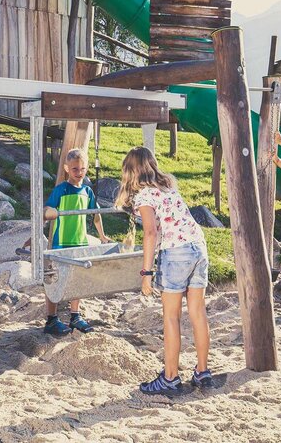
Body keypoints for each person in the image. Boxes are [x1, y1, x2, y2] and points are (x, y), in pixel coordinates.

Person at [115, 146, 212, 395]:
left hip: (176, 252)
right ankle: (202, 372)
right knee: (198, 313)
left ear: (130, 171)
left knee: (171, 317)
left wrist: (146, 273)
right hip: (198, 247)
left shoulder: (144, 196)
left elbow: (150, 232)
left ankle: (170, 378)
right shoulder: (168, 187)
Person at [42, 148, 111, 336]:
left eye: (82, 169)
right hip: (61, 242)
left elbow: (96, 214)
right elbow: (47, 210)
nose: (79, 172)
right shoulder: (61, 189)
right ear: (66, 168)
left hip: (80, 241)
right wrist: (36, 233)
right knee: (55, 279)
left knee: (77, 279)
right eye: (74, 169)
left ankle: (75, 315)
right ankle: (51, 319)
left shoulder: (87, 191)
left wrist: (102, 236)